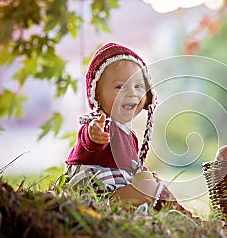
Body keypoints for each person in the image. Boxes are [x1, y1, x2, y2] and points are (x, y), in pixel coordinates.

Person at [59, 42, 192, 215]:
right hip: (96, 200)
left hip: (117, 195)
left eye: (138, 86)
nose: (132, 93)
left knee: (148, 181)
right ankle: (179, 214)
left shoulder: (130, 136)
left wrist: (145, 176)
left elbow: (131, 168)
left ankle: (177, 213)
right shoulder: (100, 123)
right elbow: (88, 141)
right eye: (120, 86)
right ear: (96, 95)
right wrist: (94, 133)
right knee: (147, 187)